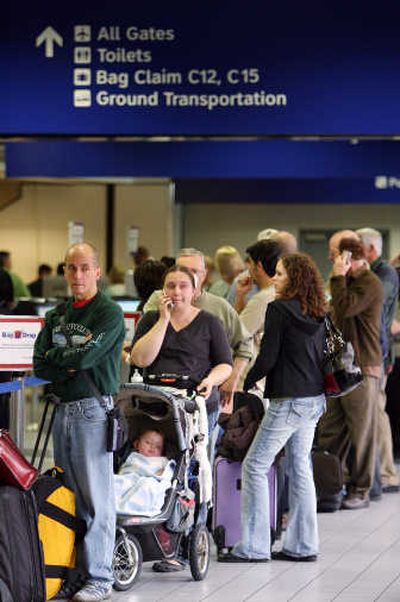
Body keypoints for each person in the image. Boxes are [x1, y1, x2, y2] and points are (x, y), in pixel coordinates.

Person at [219, 253, 327, 563]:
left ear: (294, 278)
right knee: (300, 467)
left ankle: (253, 547)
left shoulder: (278, 309)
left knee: (254, 466)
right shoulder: (317, 311)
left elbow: (267, 357)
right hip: (314, 400)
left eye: (280, 274)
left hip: (288, 401)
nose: (275, 278)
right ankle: (304, 545)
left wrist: (246, 380)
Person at [33, 242, 125, 602]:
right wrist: (63, 359)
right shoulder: (56, 315)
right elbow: (40, 363)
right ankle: (73, 572)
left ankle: (100, 576)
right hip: (62, 409)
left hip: (92, 411)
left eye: (85, 268)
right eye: (71, 268)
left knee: (96, 499)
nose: (78, 275)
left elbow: (88, 357)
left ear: (98, 272)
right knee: (68, 497)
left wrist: (65, 358)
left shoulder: (109, 313)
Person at [318, 237, 384, 510]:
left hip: (363, 369)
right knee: (330, 430)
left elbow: (345, 307)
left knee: (363, 433)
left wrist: (337, 278)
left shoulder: (369, 283)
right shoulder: (348, 284)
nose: (332, 261)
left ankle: (362, 489)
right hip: (339, 368)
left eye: (335, 256)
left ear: (347, 257)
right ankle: (330, 486)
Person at [143, 248, 253, 410]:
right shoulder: (158, 301)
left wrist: (231, 380)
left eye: (193, 271)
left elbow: (244, 344)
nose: (186, 277)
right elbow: (142, 347)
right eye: (182, 270)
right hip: (161, 393)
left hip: (204, 394)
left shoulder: (218, 307)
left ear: (204, 274)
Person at [131, 265, 233, 435]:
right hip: (156, 403)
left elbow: (225, 364)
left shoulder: (210, 322)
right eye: (171, 286)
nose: (176, 292)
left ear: (194, 291)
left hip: (197, 401)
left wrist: (210, 380)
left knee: (194, 459)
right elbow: (140, 360)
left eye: (183, 286)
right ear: (163, 291)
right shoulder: (150, 319)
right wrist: (164, 320)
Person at [356, 227, 399, 492]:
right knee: (376, 411)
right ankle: (382, 470)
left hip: (378, 353)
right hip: (375, 351)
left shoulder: (383, 274)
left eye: (358, 249)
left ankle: (385, 472)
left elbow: (373, 310)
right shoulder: (379, 272)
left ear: (371, 250)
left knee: (377, 412)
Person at [115, 429, 175, 517]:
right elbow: (126, 470)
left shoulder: (162, 461)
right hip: (129, 479)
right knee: (114, 481)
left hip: (147, 481)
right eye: (148, 443)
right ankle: (111, 504)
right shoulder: (132, 456)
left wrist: (161, 474)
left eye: (158, 447)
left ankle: (127, 507)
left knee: (148, 485)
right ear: (136, 444)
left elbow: (169, 471)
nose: (152, 447)